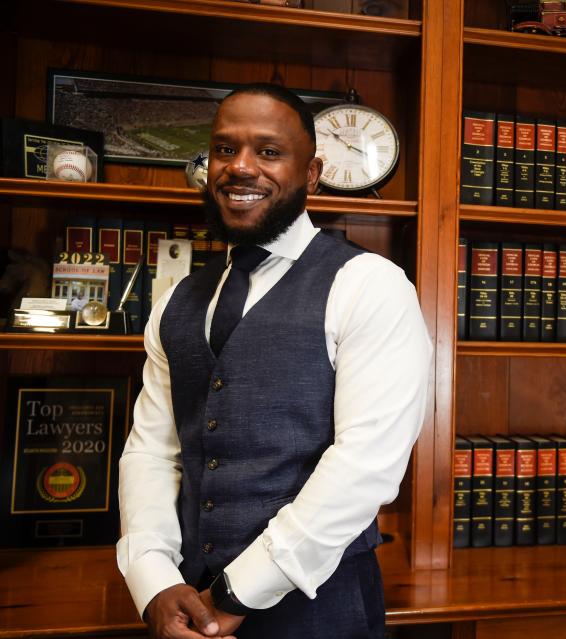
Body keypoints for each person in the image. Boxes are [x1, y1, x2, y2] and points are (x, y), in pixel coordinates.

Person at [116, 83, 431, 639]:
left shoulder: (370, 286)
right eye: (223, 149)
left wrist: (240, 592)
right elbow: (151, 452)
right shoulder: (174, 303)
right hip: (184, 607)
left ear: (311, 173)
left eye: (268, 151)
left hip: (321, 611)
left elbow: (366, 466)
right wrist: (153, 581)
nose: (240, 168)